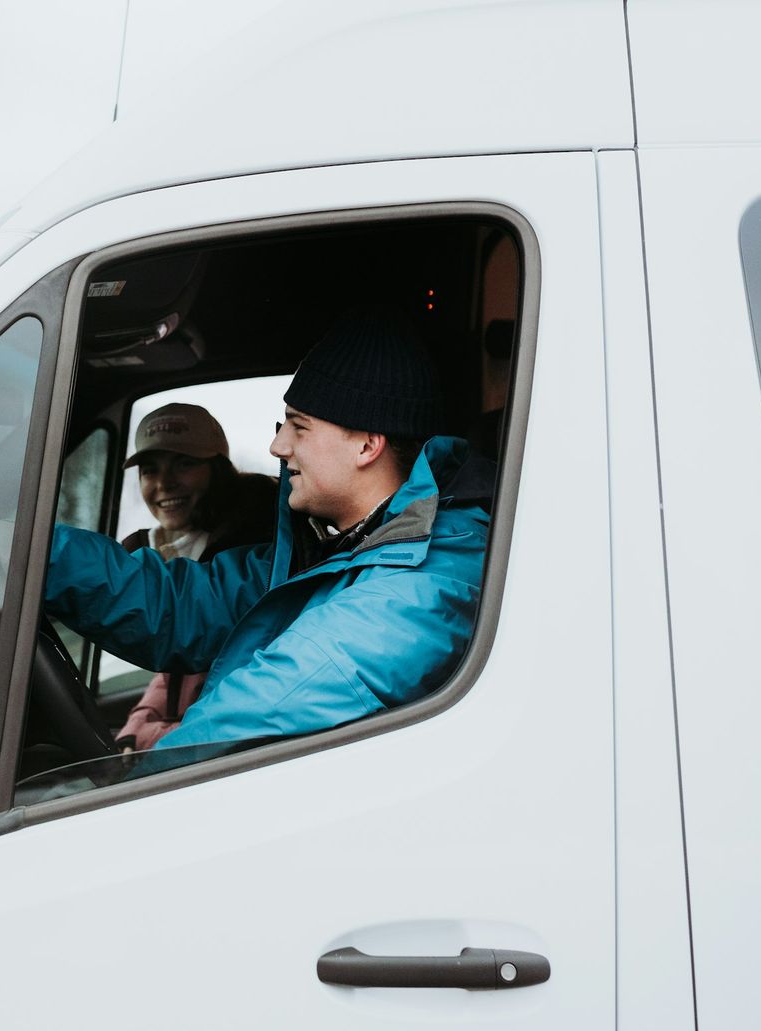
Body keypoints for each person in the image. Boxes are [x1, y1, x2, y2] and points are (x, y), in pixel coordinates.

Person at [31, 310, 494, 756]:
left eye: (299, 426)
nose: (278, 445)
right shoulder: (334, 553)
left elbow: (247, 719)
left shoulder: (423, 584)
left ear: (367, 445)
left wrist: (131, 790)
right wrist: (37, 556)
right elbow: (182, 606)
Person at [113, 403, 277, 750]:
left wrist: (147, 738)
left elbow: (232, 721)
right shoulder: (164, 550)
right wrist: (137, 723)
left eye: (184, 464)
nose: (163, 483)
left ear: (219, 469)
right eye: (149, 470)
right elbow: (173, 672)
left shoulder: (252, 558)